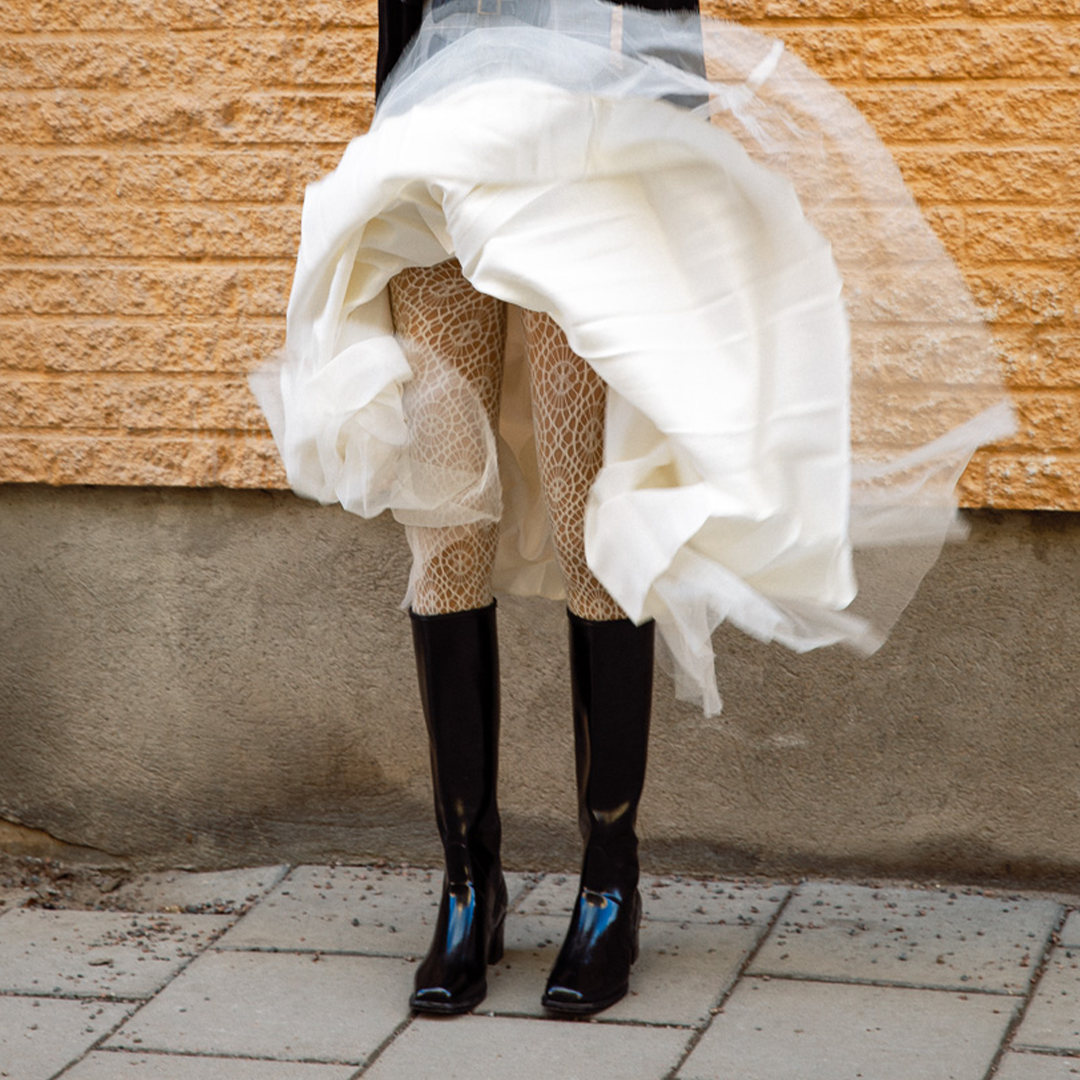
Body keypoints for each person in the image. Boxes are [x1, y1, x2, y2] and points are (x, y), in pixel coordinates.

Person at [252, 0, 1014, 1017]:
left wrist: (673, 173)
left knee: (592, 530)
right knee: (443, 531)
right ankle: (468, 885)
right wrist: (390, 126)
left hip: (586, 164)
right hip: (431, 157)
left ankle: (610, 883)